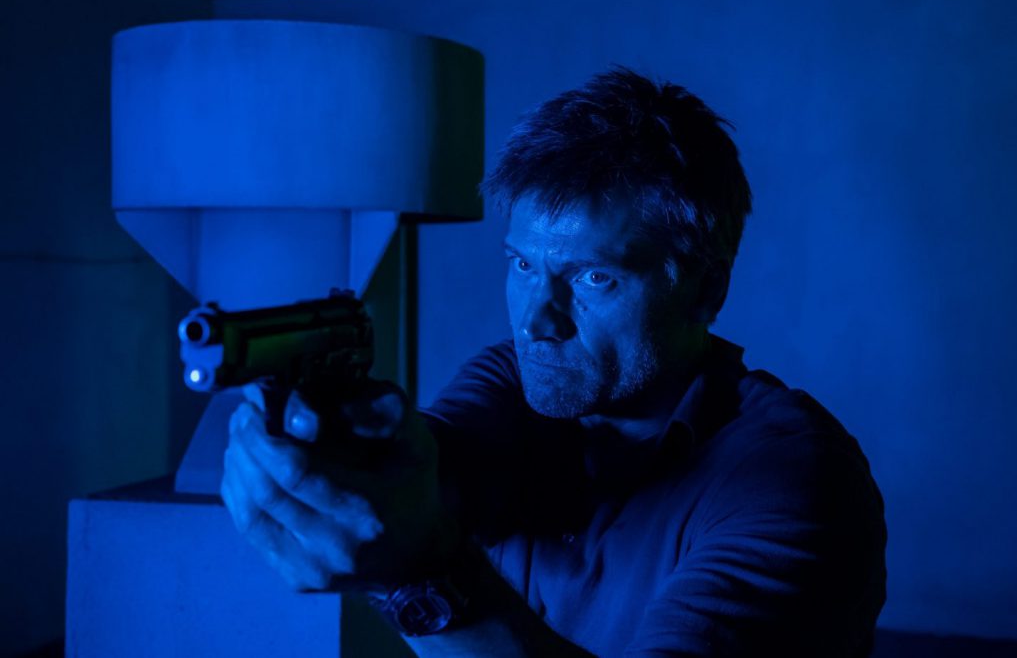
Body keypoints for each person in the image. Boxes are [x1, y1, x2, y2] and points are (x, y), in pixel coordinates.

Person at [220, 68, 887, 657]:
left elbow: (421, 538)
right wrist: (341, 459)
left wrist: (421, 572)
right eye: (522, 265)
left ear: (705, 290)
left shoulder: (796, 479)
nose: (537, 322)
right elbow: (434, 470)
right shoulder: (518, 380)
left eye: (593, 277)